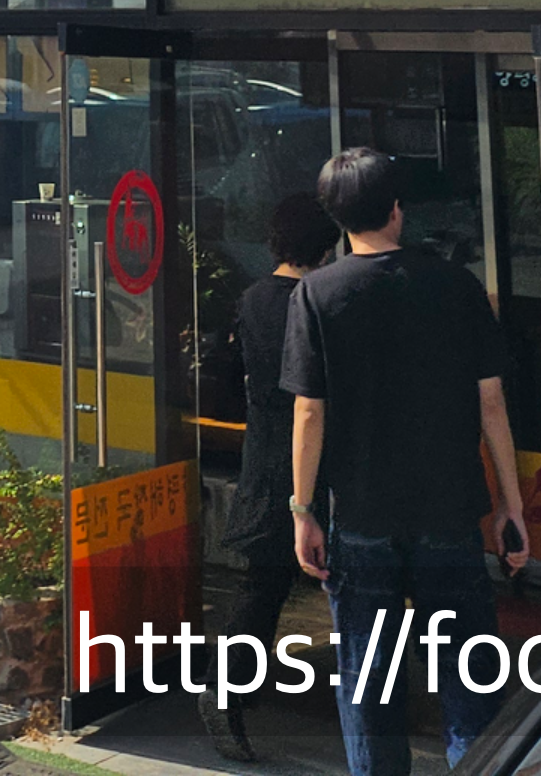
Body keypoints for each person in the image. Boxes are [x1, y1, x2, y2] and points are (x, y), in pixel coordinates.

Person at [283, 148, 527, 776]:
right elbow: (491, 404)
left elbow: (310, 413)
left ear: (338, 218)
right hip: (449, 509)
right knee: (470, 678)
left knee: (368, 682)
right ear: (397, 210)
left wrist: (302, 510)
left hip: (360, 513)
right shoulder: (454, 283)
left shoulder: (316, 294)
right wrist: (511, 506)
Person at [200, 192, 340, 763]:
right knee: (337, 585)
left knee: (262, 589)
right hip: (319, 461)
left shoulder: (254, 299)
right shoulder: (321, 300)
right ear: (325, 243)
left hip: (265, 461)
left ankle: (227, 694)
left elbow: (229, 374)